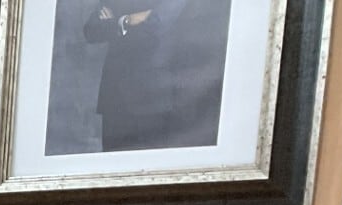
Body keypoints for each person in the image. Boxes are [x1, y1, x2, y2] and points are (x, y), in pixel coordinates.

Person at [82, 0, 231, 152]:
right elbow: (91, 30)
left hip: (155, 97)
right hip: (115, 98)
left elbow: (157, 23)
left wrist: (115, 23)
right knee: (114, 165)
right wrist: (127, 21)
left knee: (151, 165)